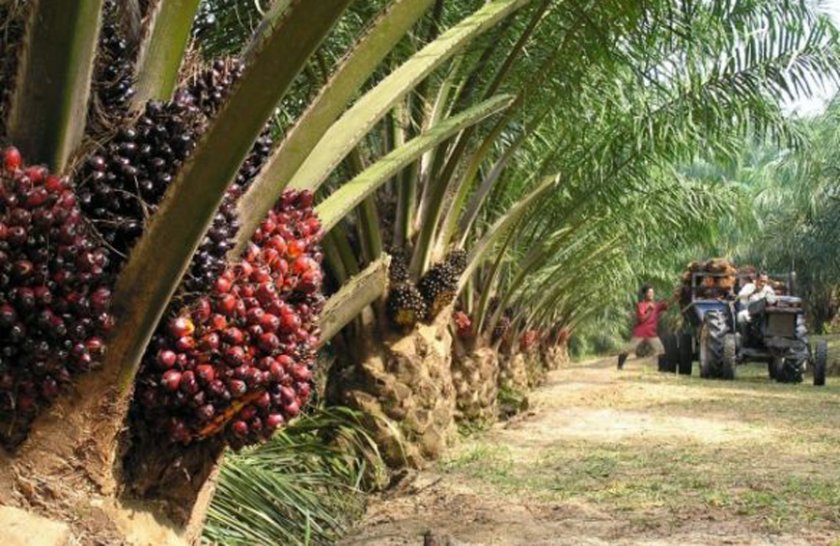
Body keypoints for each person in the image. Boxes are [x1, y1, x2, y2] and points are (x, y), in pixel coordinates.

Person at [617, 285, 669, 370]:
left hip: (651, 333)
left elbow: (667, 305)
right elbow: (641, 319)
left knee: (661, 350)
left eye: (652, 292)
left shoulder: (656, 305)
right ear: (645, 294)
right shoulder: (640, 305)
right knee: (629, 349)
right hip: (640, 332)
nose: (651, 294)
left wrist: (674, 297)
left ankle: (661, 369)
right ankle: (619, 366)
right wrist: (649, 310)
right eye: (649, 292)